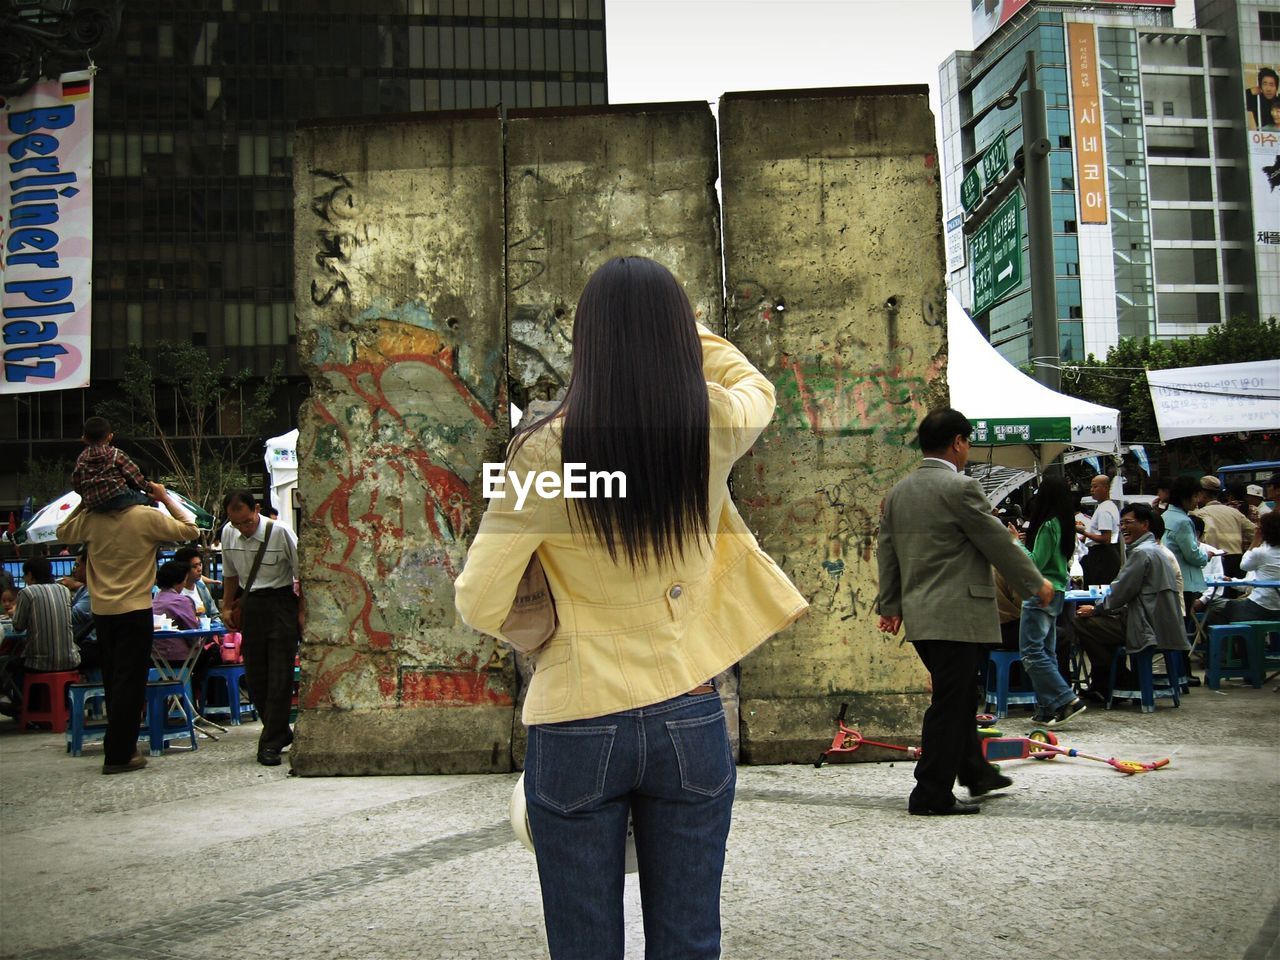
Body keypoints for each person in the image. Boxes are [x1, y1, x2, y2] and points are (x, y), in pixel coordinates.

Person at [454, 257, 807, 960]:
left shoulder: (540, 451)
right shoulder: (710, 428)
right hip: (689, 707)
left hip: (576, 714)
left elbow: (477, 598)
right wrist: (691, 334)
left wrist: (542, 627)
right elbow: (755, 386)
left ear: (587, 344)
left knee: (583, 945)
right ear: (678, 339)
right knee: (689, 938)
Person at [876, 407, 1051, 817]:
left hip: (922, 616)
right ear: (958, 442)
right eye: (967, 443)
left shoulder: (899, 492)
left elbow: (888, 554)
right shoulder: (960, 488)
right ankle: (931, 793)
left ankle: (976, 771)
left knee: (957, 696)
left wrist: (891, 605)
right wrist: (1034, 584)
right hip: (958, 615)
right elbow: (998, 543)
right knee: (951, 703)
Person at [57, 483, 199, 775]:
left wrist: (85, 503)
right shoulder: (146, 516)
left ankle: (119, 748)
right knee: (131, 683)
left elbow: (62, 532)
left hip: (103, 611)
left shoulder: (91, 520)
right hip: (135, 609)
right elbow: (190, 529)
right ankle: (120, 753)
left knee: (113, 680)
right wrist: (164, 497)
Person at [220, 489, 303, 768]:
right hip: (251, 604)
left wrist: (302, 612)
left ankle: (269, 743)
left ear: (256, 509)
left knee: (280, 675)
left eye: (246, 521)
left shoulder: (279, 532)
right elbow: (230, 574)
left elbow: (301, 575)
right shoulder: (228, 534)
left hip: (280, 602)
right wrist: (226, 606)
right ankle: (278, 731)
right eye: (237, 523)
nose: (243, 528)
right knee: (256, 677)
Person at [1074, 503, 1188, 701]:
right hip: (1162, 623)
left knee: (1080, 623)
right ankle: (1111, 679)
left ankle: (1114, 677)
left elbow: (1119, 593)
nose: (1123, 527)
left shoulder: (1142, 553)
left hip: (1146, 625)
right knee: (1100, 628)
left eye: (1128, 522)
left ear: (1145, 525)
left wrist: (1096, 609)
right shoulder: (1157, 550)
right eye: (1121, 524)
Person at [1017, 478, 1087, 728]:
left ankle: (1066, 699)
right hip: (1058, 591)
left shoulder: (1048, 525)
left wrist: (1016, 543)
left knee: (1032, 652)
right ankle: (1047, 709)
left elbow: (1034, 562)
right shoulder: (1065, 525)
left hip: (1040, 592)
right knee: (1046, 651)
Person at [10, 557, 79, 699]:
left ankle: (26, 709)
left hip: (40, 663)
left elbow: (18, 626)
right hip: (71, 659)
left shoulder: (27, 593)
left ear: (29, 574)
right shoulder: (64, 591)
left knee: (10, 664)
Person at [1207, 510, 1280, 625]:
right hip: (1277, 607)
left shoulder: (1261, 553)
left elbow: (1244, 566)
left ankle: (1232, 642)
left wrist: (1255, 540)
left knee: (1219, 609)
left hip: (1261, 606)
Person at [71, 416, 153, 513]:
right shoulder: (115, 454)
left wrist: (87, 495)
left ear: (84, 438)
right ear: (110, 436)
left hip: (94, 504)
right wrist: (149, 488)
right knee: (148, 499)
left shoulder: (81, 459)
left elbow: (76, 482)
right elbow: (134, 475)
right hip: (119, 497)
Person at [1164, 475, 1209, 620]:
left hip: (1167, 579)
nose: (1197, 501)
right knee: (1181, 623)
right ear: (1184, 497)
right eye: (1195, 496)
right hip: (1183, 582)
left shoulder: (1165, 516)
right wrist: (1206, 556)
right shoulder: (1183, 521)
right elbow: (1192, 554)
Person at [1194, 475, 1255, 577]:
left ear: (1203, 493)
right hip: (1237, 561)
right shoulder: (1234, 512)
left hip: (1216, 560)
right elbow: (1255, 532)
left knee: (1217, 592)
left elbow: (1210, 531)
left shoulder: (1200, 514)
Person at [1077, 474, 1122, 587]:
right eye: (1091, 487)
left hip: (1103, 555)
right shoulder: (1105, 506)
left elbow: (1105, 538)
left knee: (1099, 588)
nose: (1092, 490)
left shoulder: (1104, 509)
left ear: (1106, 488)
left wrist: (1083, 532)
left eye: (1095, 487)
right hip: (1103, 553)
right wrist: (1085, 537)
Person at [66, 553, 100, 671]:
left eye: (77, 565)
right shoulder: (83, 588)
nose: (73, 570)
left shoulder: (94, 590)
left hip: (90, 646)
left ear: (88, 567)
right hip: (80, 643)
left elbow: (73, 616)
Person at [173, 545, 219, 620]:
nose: (199, 569)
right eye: (194, 566)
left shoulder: (201, 587)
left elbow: (214, 614)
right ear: (184, 569)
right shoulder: (173, 591)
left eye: (200, 564)